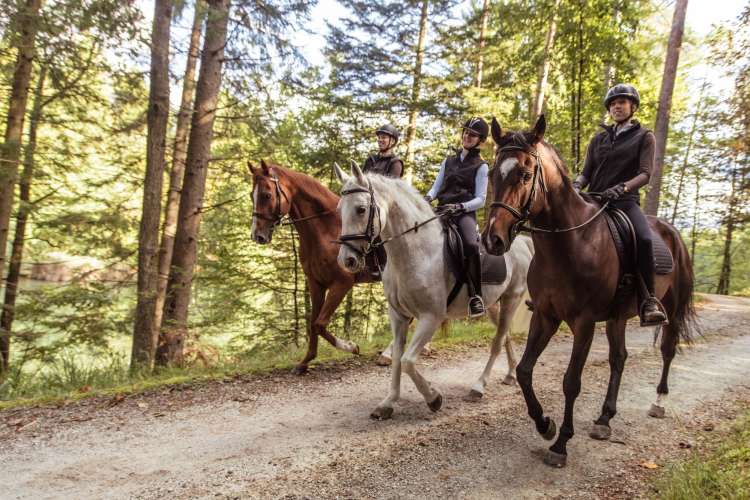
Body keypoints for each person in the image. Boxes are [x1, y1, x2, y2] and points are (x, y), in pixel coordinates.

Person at [573, 83, 667, 326]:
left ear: (632, 107)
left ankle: (649, 300)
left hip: (624, 202)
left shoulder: (644, 137)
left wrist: (623, 187)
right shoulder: (598, 139)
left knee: (644, 239)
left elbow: (646, 174)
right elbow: (586, 173)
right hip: (593, 199)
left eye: (622, 102)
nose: (617, 106)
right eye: (613, 104)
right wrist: (574, 186)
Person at [425, 117, 489, 317]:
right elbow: (436, 186)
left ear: (481, 140)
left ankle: (475, 296)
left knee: (470, 245)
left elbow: (481, 199)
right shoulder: (449, 161)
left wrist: (461, 206)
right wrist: (427, 197)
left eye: (472, 134)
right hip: (442, 209)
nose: (467, 136)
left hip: (463, 213)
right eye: (465, 132)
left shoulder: (482, 167)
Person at [362, 124, 404, 276]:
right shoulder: (370, 160)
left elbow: (390, 190)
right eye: (379, 137)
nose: (380, 140)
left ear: (392, 141)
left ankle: (380, 265)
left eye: (384, 137)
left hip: (385, 205)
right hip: (367, 202)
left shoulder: (395, 163)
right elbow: (361, 182)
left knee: (374, 225)